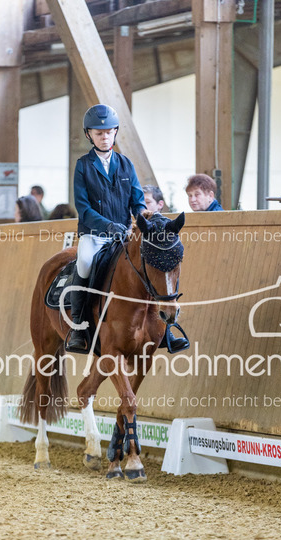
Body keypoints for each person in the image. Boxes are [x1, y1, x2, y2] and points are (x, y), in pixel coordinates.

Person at [67, 103, 189, 354]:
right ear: (89, 134)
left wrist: (143, 215)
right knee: (85, 262)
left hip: (124, 234)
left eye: (108, 132)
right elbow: (83, 208)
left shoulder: (126, 164)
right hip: (95, 235)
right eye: (99, 133)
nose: (104, 137)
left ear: (115, 132)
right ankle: (79, 326)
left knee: (150, 263)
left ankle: (165, 329)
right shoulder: (83, 166)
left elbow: (137, 200)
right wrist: (107, 225)